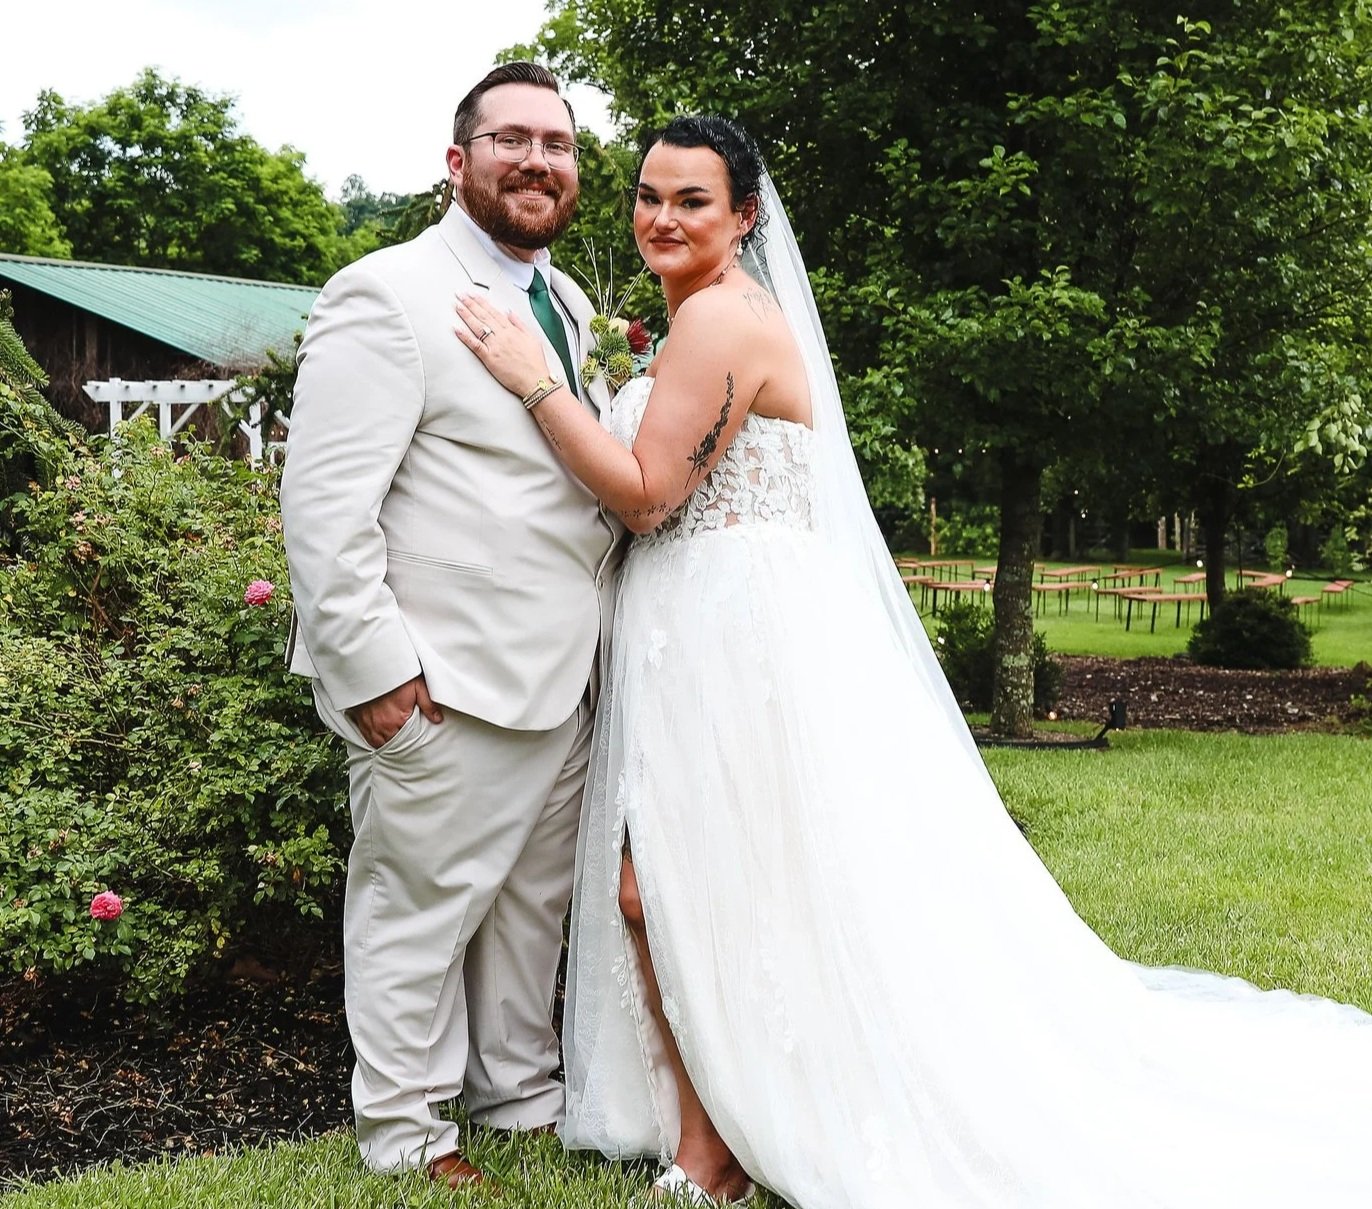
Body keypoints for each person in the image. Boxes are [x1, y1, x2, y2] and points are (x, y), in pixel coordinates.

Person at [454, 116, 1372, 1207]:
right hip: (694, 630)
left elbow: (652, 496)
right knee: (682, 886)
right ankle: (716, 1136)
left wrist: (532, 380)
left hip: (739, 640)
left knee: (674, 887)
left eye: (691, 200)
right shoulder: (701, 318)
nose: (660, 216)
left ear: (745, 216)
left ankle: (718, 1152)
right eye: (648, 196)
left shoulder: (721, 322)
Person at [279, 63, 623, 1190]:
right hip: (440, 678)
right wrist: (377, 673)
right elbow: (325, 514)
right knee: (416, 915)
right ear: (457, 158)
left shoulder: (565, 303)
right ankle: (406, 1130)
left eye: (558, 145)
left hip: (560, 673)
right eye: (511, 139)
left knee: (529, 908)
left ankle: (517, 1096)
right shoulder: (383, 292)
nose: (537, 161)